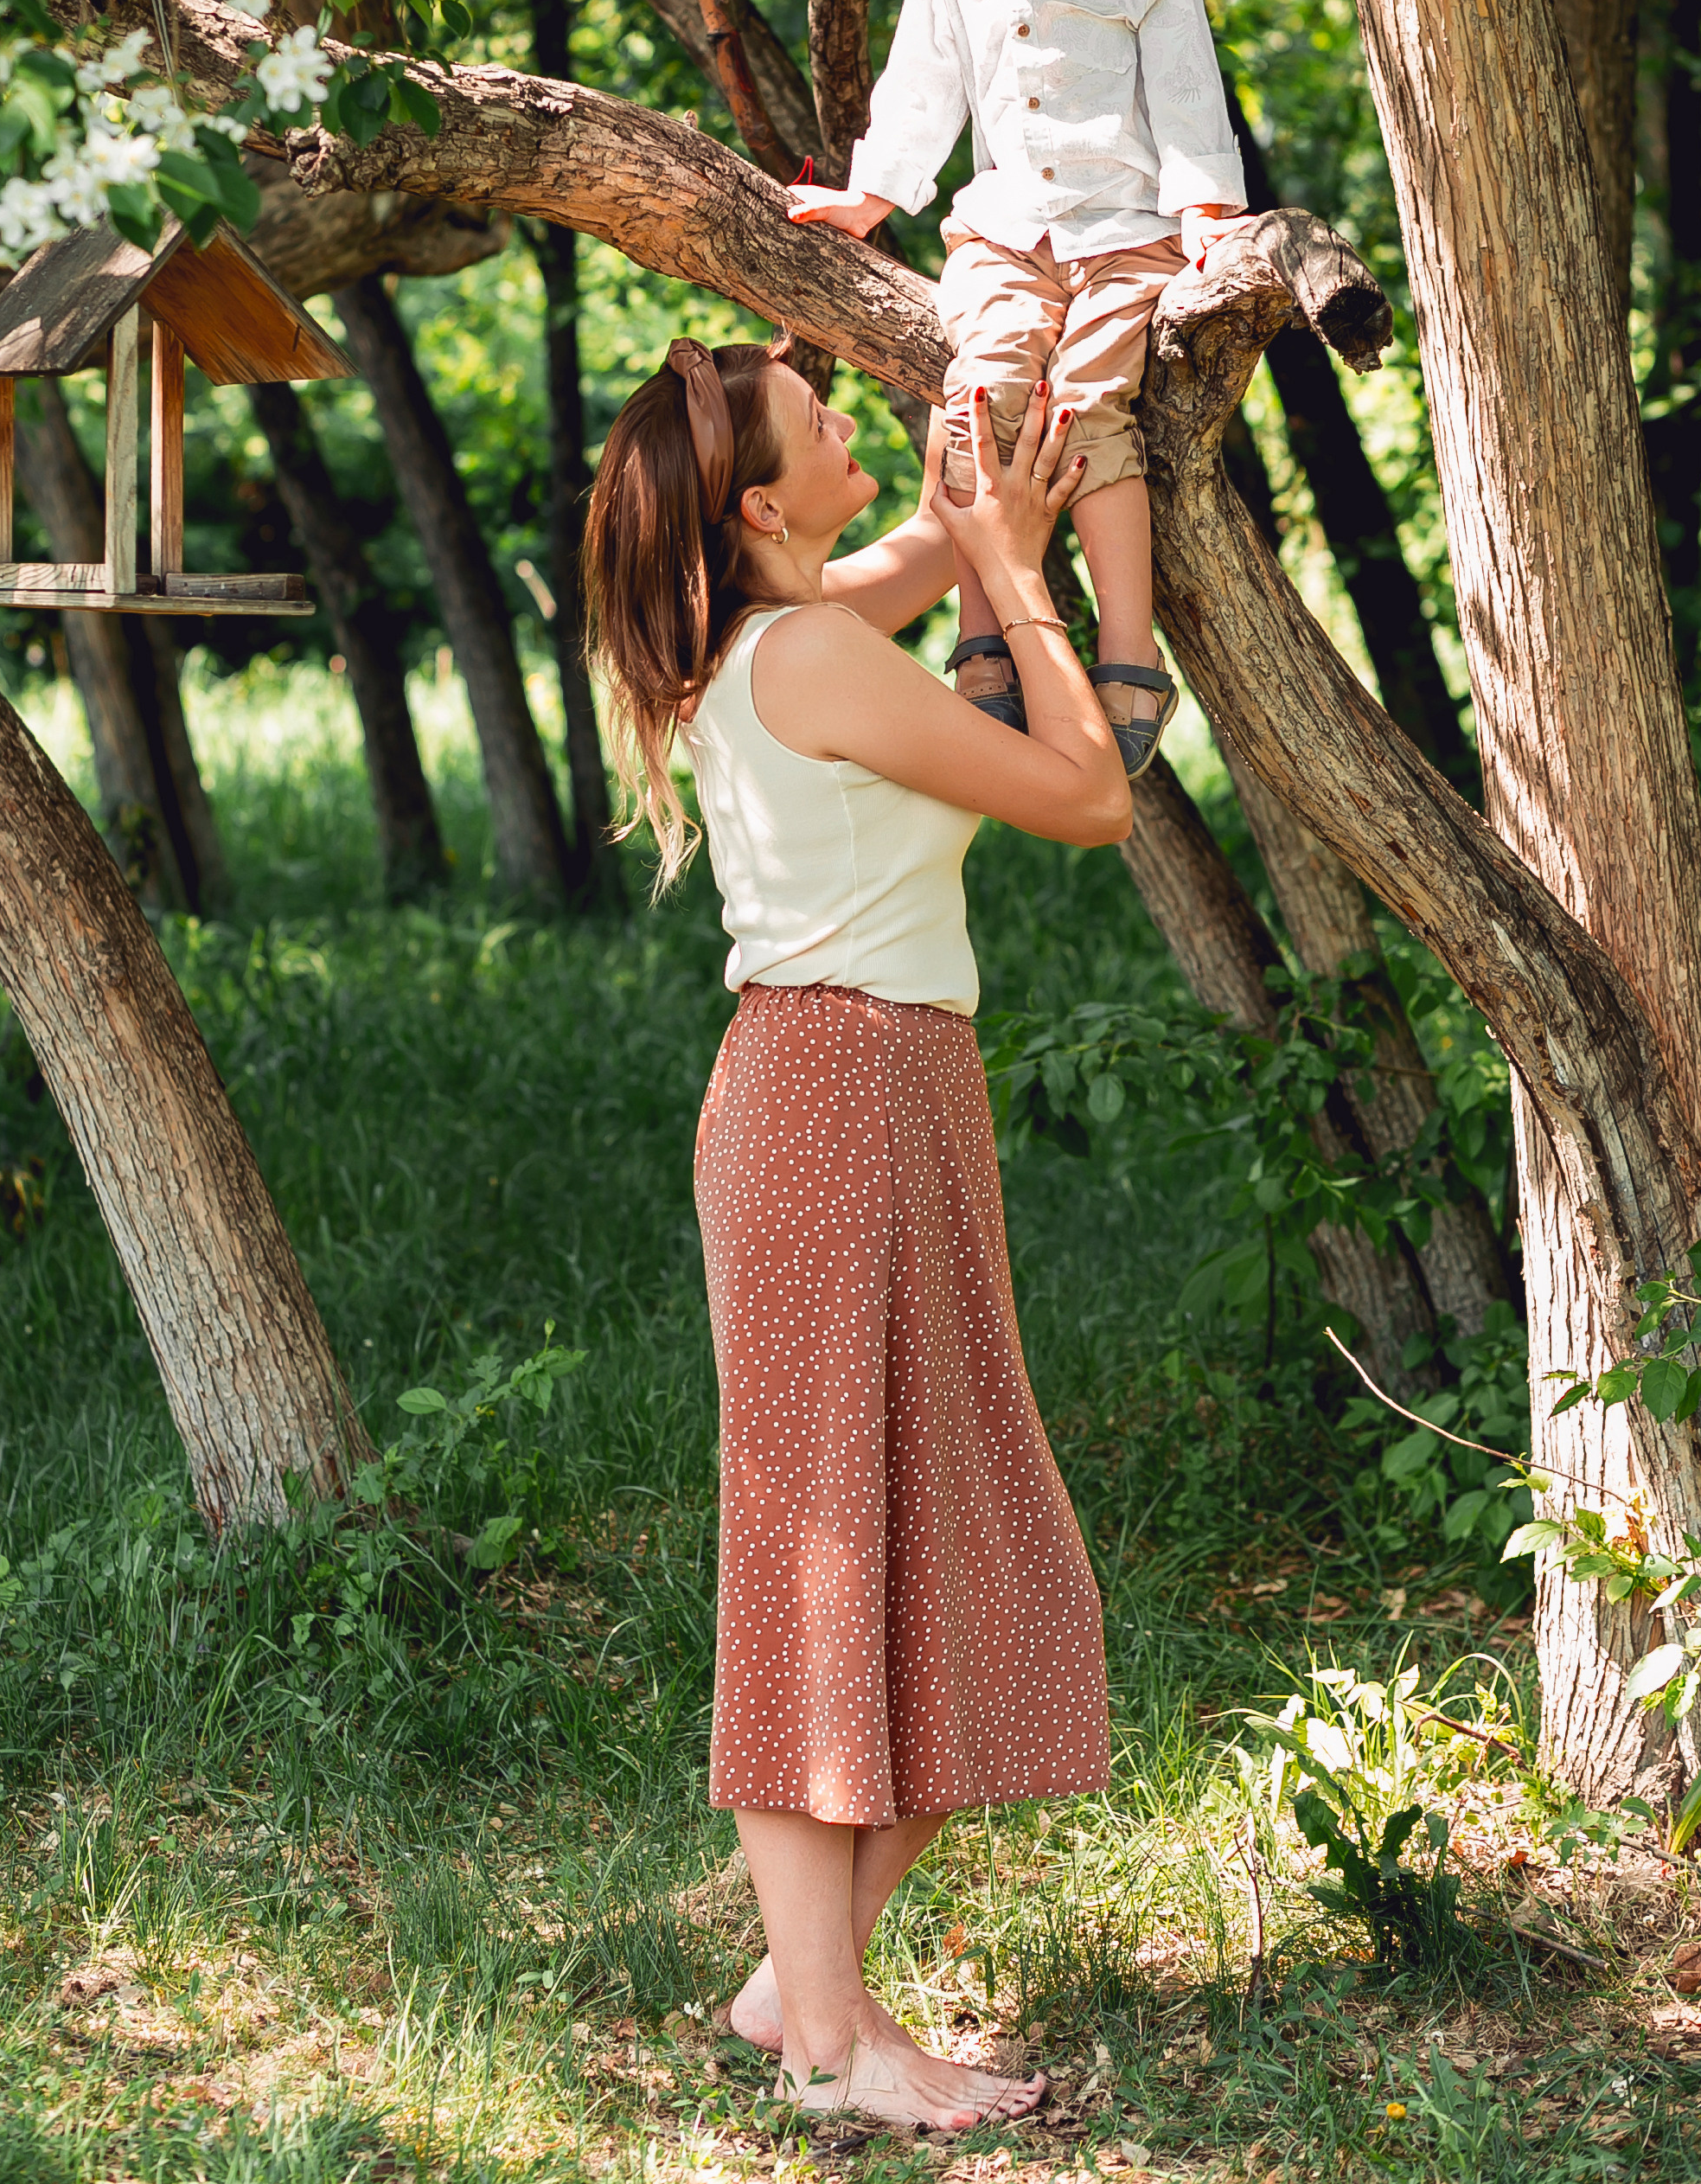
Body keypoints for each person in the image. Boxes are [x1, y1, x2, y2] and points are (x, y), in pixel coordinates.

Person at [582, 333, 1129, 2132]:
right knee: (817, 1569)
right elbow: (1086, 794)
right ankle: (834, 2047)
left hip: (875, 1095)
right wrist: (1029, 577)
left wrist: (979, 507)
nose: (846, 425)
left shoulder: (792, 619)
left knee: (953, 1567)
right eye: (818, 421)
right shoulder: (809, 648)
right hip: (838, 1098)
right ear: (754, 501)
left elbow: (918, 542)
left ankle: (790, 1987)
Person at [788, 0, 1246, 775]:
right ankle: (980, 629)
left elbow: (1186, 86)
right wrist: (875, 192)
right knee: (981, 394)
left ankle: (1129, 654)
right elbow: (923, 88)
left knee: (1087, 406)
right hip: (1005, 227)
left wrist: (1206, 209)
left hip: (1125, 234)